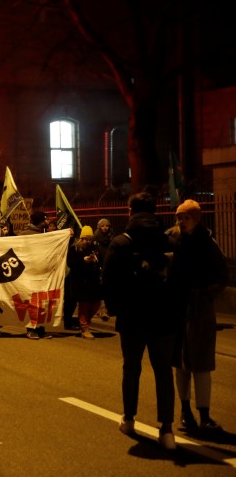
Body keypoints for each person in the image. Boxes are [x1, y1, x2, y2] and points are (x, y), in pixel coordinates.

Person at [101, 191, 179, 450]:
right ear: (155, 210)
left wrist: (114, 309)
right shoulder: (168, 241)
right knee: (164, 372)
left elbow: (108, 279)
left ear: (130, 211)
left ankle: (129, 419)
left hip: (131, 317)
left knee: (131, 368)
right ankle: (167, 430)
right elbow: (180, 278)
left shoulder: (121, 242)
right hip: (163, 317)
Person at [167, 199, 228, 434]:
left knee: (201, 365)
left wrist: (205, 295)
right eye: (179, 217)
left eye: (186, 217)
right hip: (177, 310)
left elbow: (222, 275)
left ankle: (204, 415)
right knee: (180, 365)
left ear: (196, 218)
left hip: (200, 311)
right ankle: (185, 412)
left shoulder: (208, 244)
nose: (181, 221)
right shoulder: (172, 240)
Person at [18, 210, 52, 339]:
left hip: (43, 273)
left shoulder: (45, 234)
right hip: (30, 273)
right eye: (45, 219)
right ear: (40, 221)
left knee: (43, 301)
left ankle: (40, 327)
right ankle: (31, 328)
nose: (48, 221)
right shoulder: (26, 235)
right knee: (32, 302)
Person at [66, 226, 102, 339]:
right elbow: (70, 263)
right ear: (81, 238)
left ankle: (86, 322)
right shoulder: (74, 249)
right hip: (80, 281)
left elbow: (100, 261)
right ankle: (84, 328)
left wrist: (95, 260)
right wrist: (83, 260)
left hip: (93, 281)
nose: (88, 241)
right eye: (86, 238)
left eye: (89, 238)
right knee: (84, 305)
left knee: (96, 304)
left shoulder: (94, 248)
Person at [93, 218, 114, 321]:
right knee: (100, 289)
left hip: (109, 266)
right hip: (99, 267)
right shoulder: (96, 240)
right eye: (103, 226)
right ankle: (102, 310)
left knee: (108, 288)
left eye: (107, 226)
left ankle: (107, 309)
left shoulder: (112, 238)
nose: (105, 228)